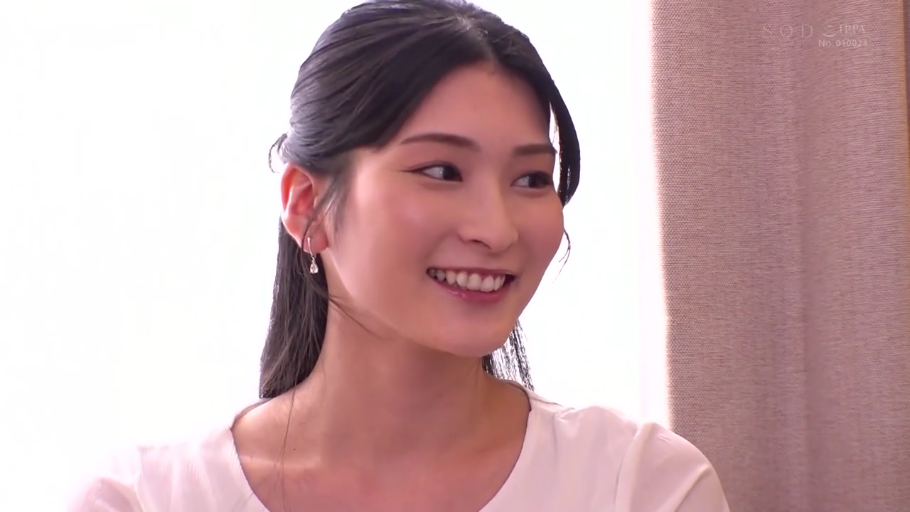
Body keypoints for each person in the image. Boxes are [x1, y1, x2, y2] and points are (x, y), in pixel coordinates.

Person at [67, 0, 730, 510]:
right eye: (441, 171)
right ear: (306, 205)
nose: (496, 229)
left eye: (530, 178)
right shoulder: (145, 497)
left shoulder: (639, 485)